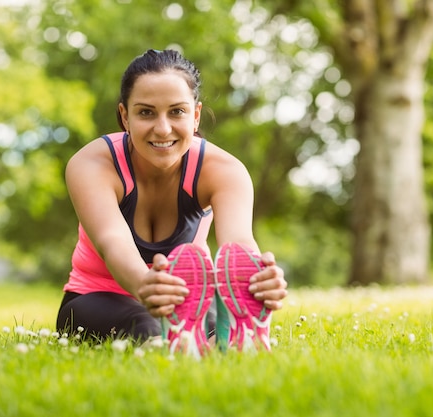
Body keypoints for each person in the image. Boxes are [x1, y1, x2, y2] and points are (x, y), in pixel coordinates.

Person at [56, 49, 288, 356]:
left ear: (195, 115)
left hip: (188, 302)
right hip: (95, 298)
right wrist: (146, 287)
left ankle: (227, 336)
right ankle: (181, 339)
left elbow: (239, 245)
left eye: (176, 112)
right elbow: (112, 242)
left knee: (214, 330)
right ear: (125, 116)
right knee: (148, 327)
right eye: (146, 112)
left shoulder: (224, 171)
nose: (163, 129)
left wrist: (257, 280)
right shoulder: (92, 164)